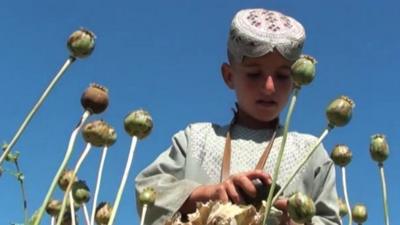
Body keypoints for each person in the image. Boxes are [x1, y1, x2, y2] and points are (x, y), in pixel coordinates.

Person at [135, 8, 340, 225]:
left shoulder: (310, 152)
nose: (269, 87)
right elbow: (146, 191)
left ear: (297, 81)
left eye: (282, 76)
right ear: (229, 76)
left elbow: (331, 220)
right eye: (254, 74)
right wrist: (208, 194)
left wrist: (296, 221)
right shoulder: (196, 139)